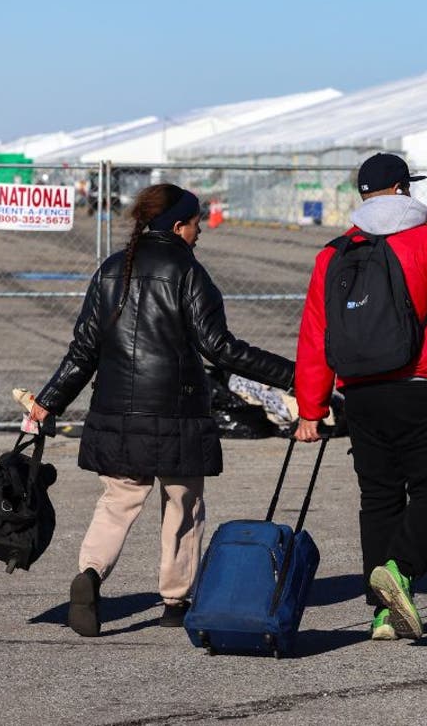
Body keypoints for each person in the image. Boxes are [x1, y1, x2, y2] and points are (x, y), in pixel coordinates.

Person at [26, 183, 295, 637]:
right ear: (177, 226)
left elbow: (83, 351)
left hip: (116, 413)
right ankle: (174, 600)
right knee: (183, 504)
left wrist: (47, 401)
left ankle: (90, 574)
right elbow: (220, 347)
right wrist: (293, 374)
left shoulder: (111, 270)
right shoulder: (189, 272)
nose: (199, 232)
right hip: (179, 413)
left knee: (117, 501)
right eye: (196, 223)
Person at [294, 153, 427, 642]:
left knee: (379, 497)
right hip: (424, 387)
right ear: (401, 189)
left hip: (361, 396)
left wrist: (311, 408)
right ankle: (402, 571)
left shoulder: (333, 254)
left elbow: (315, 334)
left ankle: (383, 614)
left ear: (365, 195)